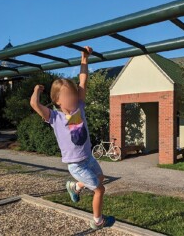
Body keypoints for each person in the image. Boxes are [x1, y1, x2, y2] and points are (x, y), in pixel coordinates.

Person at [30, 47, 115, 230]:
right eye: (68, 96)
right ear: (57, 100)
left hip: (89, 158)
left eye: (74, 94)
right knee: (100, 189)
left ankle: (75, 187)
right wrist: (37, 90)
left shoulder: (80, 107)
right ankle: (97, 221)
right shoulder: (54, 117)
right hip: (76, 164)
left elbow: (83, 80)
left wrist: (84, 59)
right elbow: (34, 104)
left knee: (100, 178)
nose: (73, 98)